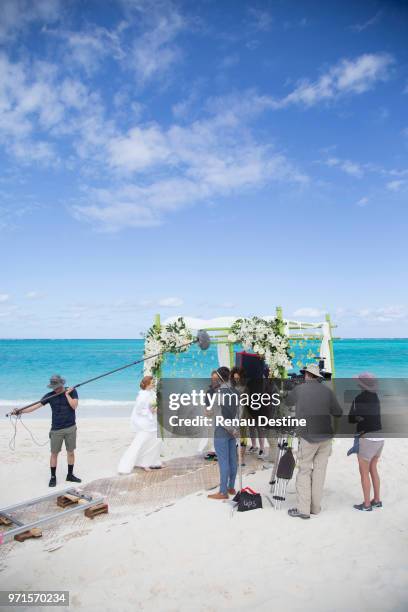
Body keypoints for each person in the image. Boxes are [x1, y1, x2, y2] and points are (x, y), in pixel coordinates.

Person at [285, 363, 343, 519]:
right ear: (317, 377)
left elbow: (287, 402)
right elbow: (338, 412)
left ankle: (303, 509)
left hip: (308, 437)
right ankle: (315, 508)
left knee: (304, 470)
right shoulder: (327, 391)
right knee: (320, 472)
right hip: (325, 437)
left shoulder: (299, 389)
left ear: (306, 375)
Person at [12, 374, 81, 487]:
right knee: (54, 454)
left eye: (58, 386)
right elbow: (35, 406)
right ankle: (53, 477)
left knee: (71, 452)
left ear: (62, 384)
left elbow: (74, 406)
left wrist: (67, 394)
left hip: (70, 427)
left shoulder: (72, 391)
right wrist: (20, 411)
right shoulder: (49, 396)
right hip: (56, 429)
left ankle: (70, 475)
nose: (56, 389)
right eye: (54, 387)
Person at [349, 372, 384, 512]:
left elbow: (351, 419)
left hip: (367, 437)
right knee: (373, 468)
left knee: (364, 472)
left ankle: (366, 504)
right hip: (380, 437)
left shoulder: (358, 398)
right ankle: (376, 500)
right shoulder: (376, 397)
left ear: (360, 384)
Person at [118, 375, 163, 474]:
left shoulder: (151, 393)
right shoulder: (142, 396)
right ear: (147, 384)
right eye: (152, 383)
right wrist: (150, 411)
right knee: (140, 442)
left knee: (156, 441)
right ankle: (132, 464)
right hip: (145, 422)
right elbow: (138, 410)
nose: (153, 384)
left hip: (152, 421)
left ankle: (152, 461)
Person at [208, 367, 239, 500]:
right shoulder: (236, 392)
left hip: (222, 430)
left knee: (223, 461)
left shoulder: (218, 394)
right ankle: (231, 487)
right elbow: (238, 414)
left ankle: (223, 492)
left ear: (220, 378)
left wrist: (209, 412)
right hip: (233, 431)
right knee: (233, 460)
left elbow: (219, 416)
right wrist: (235, 429)